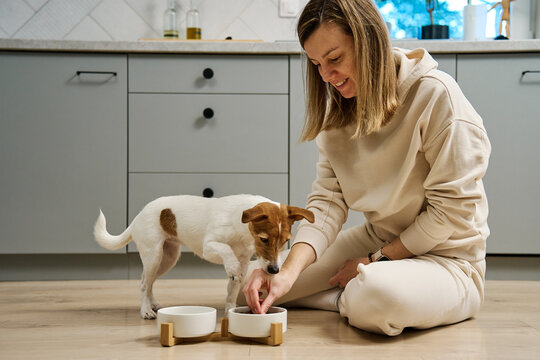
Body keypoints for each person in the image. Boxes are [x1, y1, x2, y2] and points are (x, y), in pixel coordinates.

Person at [241, 0, 491, 336]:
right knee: (257, 290)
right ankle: (351, 295)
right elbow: (327, 205)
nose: (326, 77)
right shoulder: (341, 113)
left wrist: (374, 261)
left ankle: (358, 293)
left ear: (369, 41)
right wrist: (284, 273)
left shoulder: (436, 96)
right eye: (316, 63)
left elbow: (451, 212)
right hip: (380, 240)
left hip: (449, 258)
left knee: (375, 294)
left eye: (335, 59)